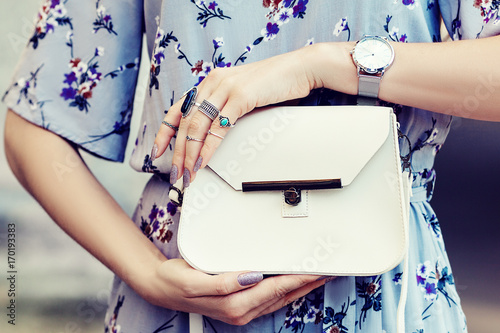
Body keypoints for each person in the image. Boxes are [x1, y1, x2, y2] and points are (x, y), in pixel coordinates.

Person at [3, 0, 499, 331]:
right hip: (180, 285)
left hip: (378, 280)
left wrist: (319, 65)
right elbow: (34, 121)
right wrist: (148, 274)